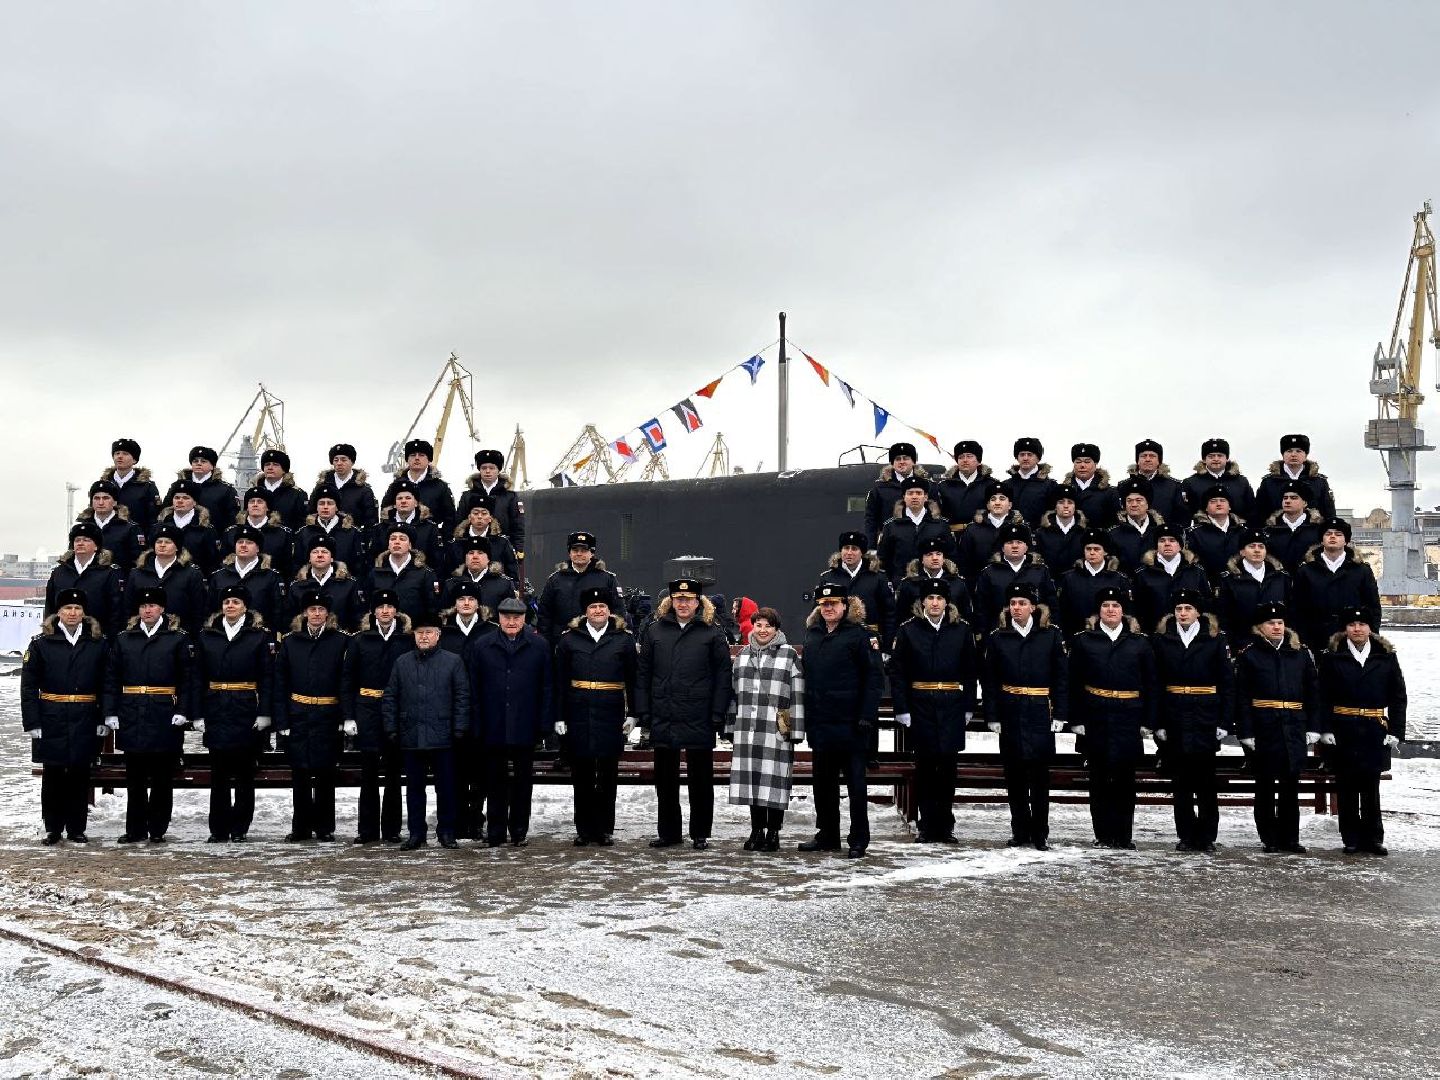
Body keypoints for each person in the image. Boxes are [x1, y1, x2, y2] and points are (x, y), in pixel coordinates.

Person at [634, 578, 732, 850]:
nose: (684, 604)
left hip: (699, 713)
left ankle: (700, 832)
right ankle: (669, 832)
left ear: (698, 602)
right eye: (679, 599)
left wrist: (717, 712)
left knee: (701, 779)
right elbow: (643, 673)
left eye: (689, 599)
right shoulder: (655, 631)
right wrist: (643, 710)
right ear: (671, 601)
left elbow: (723, 675)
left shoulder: (712, 631)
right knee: (665, 780)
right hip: (664, 712)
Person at [798, 582, 883, 858]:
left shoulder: (860, 635)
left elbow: (874, 679)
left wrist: (867, 716)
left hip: (852, 724)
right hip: (821, 724)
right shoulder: (812, 635)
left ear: (845, 606)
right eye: (824, 604)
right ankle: (827, 835)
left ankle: (859, 838)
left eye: (834, 603)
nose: (829, 608)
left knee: (856, 786)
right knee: (823, 785)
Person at [1067, 588, 1156, 850]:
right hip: (1095, 716)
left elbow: (1151, 683)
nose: (1110, 610)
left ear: (1123, 611)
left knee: (1125, 780)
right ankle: (1103, 834)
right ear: (1098, 611)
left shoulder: (1139, 642)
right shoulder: (1084, 641)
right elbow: (1074, 682)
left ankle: (1123, 835)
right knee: (1099, 779)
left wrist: (1148, 720)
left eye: (1115, 605)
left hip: (1128, 716)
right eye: (1105, 605)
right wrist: (1077, 719)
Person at [889, 580, 978, 843]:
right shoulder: (909, 630)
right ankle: (926, 825)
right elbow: (898, 672)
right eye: (930, 598)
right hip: (920, 703)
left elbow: (970, 671)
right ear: (923, 602)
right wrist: (902, 708)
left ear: (947, 602)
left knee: (948, 767)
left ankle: (945, 825)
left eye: (940, 598)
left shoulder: (961, 630)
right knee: (926, 767)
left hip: (951, 702)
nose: (935, 603)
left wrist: (968, 706)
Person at [104, 587, 194, 844]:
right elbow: (112, 678)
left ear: (163, 609)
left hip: (164, 713)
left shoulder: (177, 638)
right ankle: (135, 829)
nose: (147, 610)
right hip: (132, 712)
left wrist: (182, 711)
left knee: (162, 778)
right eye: (143, 606)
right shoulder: (124, 638)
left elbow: (187, 680)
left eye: (153, 605)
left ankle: (157, 829)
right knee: (135, 777)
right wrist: (111, 712)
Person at [983, 581, 1068, 851]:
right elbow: (990, 680)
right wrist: (993, 715)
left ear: (1033, 607)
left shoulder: (1050, 635)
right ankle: (1020, 830)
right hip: (1010, 709)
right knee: (1015, 775)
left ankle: (1040, 832)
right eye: (1013, 603)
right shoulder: (998, 637)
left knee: (1040, 776)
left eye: (1022, 603)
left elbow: (1061, 677)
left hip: (1040, 709)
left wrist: (1060, 712)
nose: (1017, 608)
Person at [20, 589, 108, 845]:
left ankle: (77, 827)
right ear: (57, 613)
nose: (72, 613)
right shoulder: (41, 643)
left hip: (85, 715)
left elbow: (106, 683)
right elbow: (28, 685)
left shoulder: (97, 643)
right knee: (54, 775)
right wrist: (33, 721)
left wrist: (103, 717)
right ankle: (53, 828)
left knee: (80, 774)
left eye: (78, 609)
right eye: (68, 608)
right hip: (51, 715)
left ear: (84, 613)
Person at [1317, 607, 1407, 856]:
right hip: (1343, 727)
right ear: (1345, 628)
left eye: (1362, 624)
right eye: (1352, 624)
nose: (1357, 629)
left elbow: (1398, 696)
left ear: (1370, 628)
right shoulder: (1332, 656)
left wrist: (1396, 730)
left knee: (1370, 786)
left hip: (1373, 728)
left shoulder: (1385, 656)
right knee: (1346, 785)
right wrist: (1324, 728)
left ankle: (1373, 838)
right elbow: (1322, 696)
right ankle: (1351, 839)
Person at [1151, 589, 1234, 853]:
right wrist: (1159, 723)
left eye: (1188, 608)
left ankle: (1207, 836)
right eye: (1178, 609)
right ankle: (1186, 835)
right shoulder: (1163, 639)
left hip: (1206, 715)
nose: (1183, 613)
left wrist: (1224, 721)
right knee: (1182, 782)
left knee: (1206, 781)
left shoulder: (1215, 639)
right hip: (1174, 713)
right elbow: (1156, 683)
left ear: (1199, 612)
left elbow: (1227, 684)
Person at [554, 587, 638, 846]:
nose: (598, 610)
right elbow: (559, 681)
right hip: (578, 711)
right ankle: (584, 828)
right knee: (582, 774)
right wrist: (559, 716)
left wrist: (634, 714)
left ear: (609, 611)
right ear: (585, 612)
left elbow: (634, 680)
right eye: (593, 607)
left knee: (607, 774)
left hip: (610, 712)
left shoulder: (622, 640)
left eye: (602, 606)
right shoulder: (570, 640)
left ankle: (603, 829)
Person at [1234, 601, 1319, 854]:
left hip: (1293, 725)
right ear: (1260, 627)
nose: (1277, 627)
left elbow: (1314, 693)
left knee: (1290, 785)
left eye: (1280, 623)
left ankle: (1290, 837)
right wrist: (1246, 732)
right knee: (1265, 786)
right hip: (1264, 726)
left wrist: (1313, 726)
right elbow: (1242, 697)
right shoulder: (1250, 654)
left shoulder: (1300, 653)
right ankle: (1269, 837)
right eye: (1271, 623)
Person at [471, 596, 554, 846]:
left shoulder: (539, 646)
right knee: (494, 780)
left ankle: (519, 831)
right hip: (493, 724)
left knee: (522, 782)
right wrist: (477, 722)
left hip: (525, 724)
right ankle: (495, 832)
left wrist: (544, 725)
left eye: (516, 617)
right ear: (498, 618)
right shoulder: (483, 645)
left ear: (524, 619)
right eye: (506, 617)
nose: (511, 621)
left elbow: (547, 687)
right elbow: (474, 688)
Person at [384, 609, 470, 850]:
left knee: (446, 788)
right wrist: (391, 727)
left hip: (443, 736)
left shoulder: (453, 661)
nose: (424, 637)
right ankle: (416, 833)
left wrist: (460, 727)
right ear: (413, 635)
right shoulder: (402, 663)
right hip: (411, 736)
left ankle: (447, 832)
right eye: (420, 633)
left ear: (438, 635)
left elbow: (462, 696)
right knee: (414, 789)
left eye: (429, 632)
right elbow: (390, 697)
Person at [193, 586, 274, 843]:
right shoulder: (208, 635)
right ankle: (218, 828)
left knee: (244, 774)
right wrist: (198, 713)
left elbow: (268, 678)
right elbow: (197, 677)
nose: (230, 606)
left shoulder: (258, 636)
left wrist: (264, 713)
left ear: (245, 607)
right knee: (219, 774)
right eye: (226, 601)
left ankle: (240, 827)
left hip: (246, 707)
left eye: (236, 602)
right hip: (216, 707)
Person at [724, 606, 805, 852]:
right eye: (758, 625)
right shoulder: (743, 656)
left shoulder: (789, 655)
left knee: (775, 781)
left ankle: (774, 832)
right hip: (748, 726)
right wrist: (730, 725)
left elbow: (798, 695)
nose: (762, 630)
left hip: (777, 727)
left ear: (776, 629)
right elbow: (732, 693)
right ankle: (756, 829)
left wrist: (796, 730)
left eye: (768, 626)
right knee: (753, 780)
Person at [273, 590, 349, 842]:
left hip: (328, 714)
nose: (316, 614)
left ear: (328, 614)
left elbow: (345, 681)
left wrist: (344, 716)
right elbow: (280, 683)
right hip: (299, 714)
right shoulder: (291, 641)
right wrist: (282, 721)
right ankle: (301, 827)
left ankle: (325, 827)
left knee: (326, 774)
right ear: (304, 613)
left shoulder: (340, 641)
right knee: (301, 774)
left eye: (321, 609)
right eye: (312, 609)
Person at [343, 590, 413, 845]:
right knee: (369, 772)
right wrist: (349, 716)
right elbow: (348, 679)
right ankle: (367, 829)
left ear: (397, 611)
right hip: (368, 709)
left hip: (397, 709)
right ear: (373, 612)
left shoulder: (406, 640)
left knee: (394, 772)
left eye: (389, 606)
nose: (385, 611)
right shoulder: (360, 640)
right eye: (380, 606)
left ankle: (392, 829)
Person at [1291, 518, 1381, 651]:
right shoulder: (1306, 570)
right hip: (1315, 640)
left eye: (1338, 534)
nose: (1333, 537)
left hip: (1351, 640)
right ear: (1321, 540)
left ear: (1346, 540)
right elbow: (1296, 609)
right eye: (1328, 534)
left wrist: (1369, 635)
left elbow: (1373, 607)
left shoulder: (1361, 570)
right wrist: (1302, 638)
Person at [537, 530, 621, 646]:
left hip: (597, 644)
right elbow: (544, 615)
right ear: (569, 553)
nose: (579, 553)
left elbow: (618, 612)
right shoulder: (555, 579)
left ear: (592, 553)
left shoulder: (607, 579)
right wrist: (546, 643)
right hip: (561, 644)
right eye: (575, 550)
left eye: (584, 550)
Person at [973, 522, 1057, 633]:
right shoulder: (989, 573)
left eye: (1019, 542)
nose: (1014, 546)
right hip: (1000, 633)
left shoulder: (1040, 571)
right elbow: (981, 608)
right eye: (1009, 542)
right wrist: (983, 634)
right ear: (1002, 548)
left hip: (1036, 632)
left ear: (1026, 547)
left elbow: (1052, 603)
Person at [124, 524, 208, 635]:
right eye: (159, 542)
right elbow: (128, 608)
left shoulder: (192, 574)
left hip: (179, 635)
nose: (162, 545)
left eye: (168, 542)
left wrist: (193, 637)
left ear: (177, 547)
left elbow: (198, 610)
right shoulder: (137, 573)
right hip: (142, 635)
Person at [818, 530, 897, 648]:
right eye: (846, 548)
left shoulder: (878, 578)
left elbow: (889, 614)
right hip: (836, 641)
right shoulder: (828, 578)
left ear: (862, 552)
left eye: (854, 548)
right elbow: (818, 613)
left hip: (869, 641)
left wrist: (886, 648)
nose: (849, 552)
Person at [46, 521, 123, 637]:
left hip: (96, 638)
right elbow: (50, 606)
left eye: (86, 540)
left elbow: (115, 611)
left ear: (96, 546)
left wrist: (110, 639)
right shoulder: (59, 572)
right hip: (62, 637)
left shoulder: (109, 573)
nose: (80, 543)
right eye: (77, 540)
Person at [1215, 528, 1292, 642]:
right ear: (1242, 552)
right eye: (1252, 546)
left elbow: (1290, 609)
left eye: (1261, 546)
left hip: (1275, 641)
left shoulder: (1280, 577)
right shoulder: (1229, 579)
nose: (1257, 550)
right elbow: (1224, 615)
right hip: (1241, 640)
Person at [876, 476, 955, 584]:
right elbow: (883, 558)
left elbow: (951, 555)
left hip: (934, 586)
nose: (914, 497)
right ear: (904, 497)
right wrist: (892, 580)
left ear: (926, 497)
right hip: (901, 584)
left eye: (918, 493)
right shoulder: (891, 526)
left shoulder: (941, 525)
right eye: (910, 493)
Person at [1130, 527, 1212, 631]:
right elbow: (1137, 608)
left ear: (1180, 545)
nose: (1167, 544)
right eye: (1162, 540)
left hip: (1191, 634)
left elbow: (1207, 603)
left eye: (1172, 540)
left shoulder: (1196, 571)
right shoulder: (1142, 574)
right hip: (1154, 634)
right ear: (1156, 545)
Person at [893, 536, 974, 640]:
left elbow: (967, 615)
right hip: (917, 639)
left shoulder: (958, 583)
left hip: (951, 637)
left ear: (944, 558)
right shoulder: (908, 584)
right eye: (929, 554)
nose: (935, 558)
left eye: (938, 554)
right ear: (921, 559)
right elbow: (900, 616)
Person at [208, 525, 286, 632]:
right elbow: (211, 610)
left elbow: (277, 613)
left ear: (258, 548)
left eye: (249, 542)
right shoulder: (219, 576)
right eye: (240, 542)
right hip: (224, 637)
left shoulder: (271, 577)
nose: (243, 545)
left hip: (259, 637)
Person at [455, 449, 526, 563]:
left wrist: (517, 550)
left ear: (498, 470)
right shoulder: (467, 496)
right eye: (484, 468)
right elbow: (459, 523)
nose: (487, 471)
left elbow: (518, 527)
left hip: (501, 550)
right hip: (473, 551)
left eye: (492, 468)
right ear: (479, 470)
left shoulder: (510, 497)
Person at [1056, 530, 1130, 638]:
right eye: (1088, 549)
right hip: (1075, 634)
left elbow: (1127, 611)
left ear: (1105, 552)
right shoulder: (1069, 578)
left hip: (1110, 636)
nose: (1092, 552)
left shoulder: (1119, 579)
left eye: (1097, 549)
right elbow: (1061, 610)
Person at [365, 522, 441, 623]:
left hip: (413, 633)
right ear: (388, 545)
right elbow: (367, 605)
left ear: (410, 545)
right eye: (393, 539)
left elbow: (431, 608)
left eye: (402, 539)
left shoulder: (425, 574)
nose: (397, 542)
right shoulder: (375, 573)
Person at [863, 441, 931, 550]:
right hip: (891, 545)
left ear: (913, 461)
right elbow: (871, 520)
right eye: (897, 459)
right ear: (892, 463)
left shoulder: (928, 485)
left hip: (923, 544)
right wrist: (871, 548)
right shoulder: (879, 489)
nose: (902, 462)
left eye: (906, 458)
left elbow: (936, 515)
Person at [381, 438, 456, 535]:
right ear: (407, 459)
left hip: (429, 540)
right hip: (400, 540)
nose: (417, 458)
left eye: (421, 455)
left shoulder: (440, 487)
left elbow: (450, 517)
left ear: (429, 459)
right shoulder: (395, 486)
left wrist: (440, 538)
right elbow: (385, 514)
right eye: (412, 455)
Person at [1255, 433, 1336, 523]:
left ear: (1305, 455)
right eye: (1289, 451)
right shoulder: (1269, 481)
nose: (1293, 454)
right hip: (1277, 532)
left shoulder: (1319, 481)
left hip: (1311, 532)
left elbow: (1329, 513)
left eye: (1299, 451)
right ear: (1283, 454)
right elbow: (1259, 514)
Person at [289, 535, 362, 632]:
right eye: (315, 552)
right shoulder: (296, 587)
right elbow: (288, 619)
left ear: (332, 558)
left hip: (340, 641)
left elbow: (357, 619)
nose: (319, 555)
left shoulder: (349, 585)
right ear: (309, 558)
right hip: (305, 642)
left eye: (324, 552)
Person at [957, 483, 1026, 584]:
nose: (997, 503)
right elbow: (964, 562)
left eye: (1002, 499)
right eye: (993, 499)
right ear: (988, 505)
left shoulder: (1022, 529)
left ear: (1010, 505)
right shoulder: (972, 529)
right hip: (979, 585)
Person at [100, 437, 160, 546]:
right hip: (107, 542)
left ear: (134, 460)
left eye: (125, 453)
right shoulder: (103, 486)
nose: (120, 456)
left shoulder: (147, 486)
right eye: (117, 453)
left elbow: (154, 520)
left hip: (136, 543)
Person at [1180, 437, 1256, 523]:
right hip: (1202, 533)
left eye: (1220, 455)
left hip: (1237, 532)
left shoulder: (1241, 482)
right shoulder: (1190, 483)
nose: (1216, 459)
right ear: (1204, 460)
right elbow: (1184, 513)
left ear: (1227, 458)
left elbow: (1252, 510)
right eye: (1211, 456)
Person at [224, 488, 295, 578]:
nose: (255, 505)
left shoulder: (283, 533)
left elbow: (287, 566)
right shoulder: (231, 532)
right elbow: (224, 562)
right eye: (251, 501)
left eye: (260, 502)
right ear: (247, 506)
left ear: (267, 507)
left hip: (270, 583)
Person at [370, 481, 444, 567]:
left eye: (408, 498)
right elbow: (372, 559)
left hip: (421, 578)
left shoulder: (430, 528)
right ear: (394, 504)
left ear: (416, 503)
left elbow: (437, 561)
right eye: (399, 498)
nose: (403, 501)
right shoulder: (380, 528)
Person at [156, 480, 223, 575]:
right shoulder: (159, 527)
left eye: (186, 498)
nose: (180, 501)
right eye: (177, 497)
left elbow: (213, 562)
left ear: (195, 502)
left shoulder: (206, 530)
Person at [441, 535, 519, 615]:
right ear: (465, 558)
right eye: (471, 553)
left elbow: (511, 616)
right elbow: (444, 617)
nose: (475, 556)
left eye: (480, 553)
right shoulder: (451, 584)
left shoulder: (505, 584)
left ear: (488, 558)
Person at [292, 485, 365, 570]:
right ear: (316, 507)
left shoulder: (352, 532)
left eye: (330, 503)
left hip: (343, 581)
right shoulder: (303, 533)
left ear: (337, 507)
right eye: (321, 503)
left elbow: (359, 565)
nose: (325, 507)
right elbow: (297, 564)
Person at [444, 497, 520, 579]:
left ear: (490, 518)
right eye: (475, 513)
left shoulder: (502, 542)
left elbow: (512, 572)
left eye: (484, 513)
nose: (479, 517)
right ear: (469, 517)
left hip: (494, 588)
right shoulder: (456, 543)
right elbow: (447, 573)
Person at [934, 439, 994, 541]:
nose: (965, 460)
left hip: (982, 536)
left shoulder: (990, 484)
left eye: (969, 456)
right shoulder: (943, 486)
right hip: (952, 538)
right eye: (961, 457)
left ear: (978, 460)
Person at [78, 479, 143, 573]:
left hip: (118, 582)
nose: (101, 502)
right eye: (96, 498)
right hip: (89, 582)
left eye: (106, 498)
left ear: (115, 502)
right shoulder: (82, 529)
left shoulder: (130, 528)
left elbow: (138, 563)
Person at [167, 445, 241, 527]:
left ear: (212, 466)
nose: (199, 463)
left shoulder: (226, 490)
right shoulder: (176, 487)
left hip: (214, 536)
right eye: (195, 461)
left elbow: (232, 518)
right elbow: (166, 510)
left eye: (203, 461)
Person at [1185, 486, 1246, 583]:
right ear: (1206, 507)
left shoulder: (1243, 531)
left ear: (1229, 506)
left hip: (1239, 585)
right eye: (1213, 501)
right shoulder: (1194, 533)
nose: (1218, 504)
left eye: (1223, 500)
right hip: (1207, 586)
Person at [1262, 480, 1324, 575]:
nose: (1287, 501)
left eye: (1294, 498)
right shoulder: (1269, 530)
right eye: (1285, 498)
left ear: (1305, 503)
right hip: (1278, 581)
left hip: (1308, 581)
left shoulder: (1318, 530)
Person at [311, 442, 379, 527]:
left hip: (353, 537)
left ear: (352, 462)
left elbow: (370, 521)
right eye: (336, 460)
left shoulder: (363, 490)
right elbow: (311, 514)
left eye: (344, 460)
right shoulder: (321, 487)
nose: (339, 463)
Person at [1107, 475, 1165, 573]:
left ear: (1147, 503)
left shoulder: (1161, 532)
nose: (1134, 504)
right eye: (1129, 500)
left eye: (1139, 500)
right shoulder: (1113, 534)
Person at [1128, 439, 1188, 527]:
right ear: (1138, 460)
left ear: (1159, 461)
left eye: (1152, 456)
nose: (1147, 459)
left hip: (1164, 538)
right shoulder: (1125, 486)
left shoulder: (1174, 486)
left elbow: (1182, 518)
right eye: (1143, 456)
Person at [1004, 437, 1061, 528]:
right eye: (1022, 454)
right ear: (1017, 457)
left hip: (1038, 538)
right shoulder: (1006, 485)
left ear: (1038, 458)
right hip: (1011, 539)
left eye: (1030, 454)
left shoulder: (1050, 486)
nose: (1025, 458)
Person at [1062, 442, 1119, 526]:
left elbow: (1114, 523)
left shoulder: (1109, 493)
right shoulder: (1062, 491)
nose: (1082, 465)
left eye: (1087, 462)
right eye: (1078, 462)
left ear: (1095, 464)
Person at [1034, 484, 1087, 574]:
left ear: (1075, 506)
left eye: (1070, 502)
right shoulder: (1041, 533)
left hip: (1077, 581)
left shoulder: (1085, 533)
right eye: (1061, 502)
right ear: (1055, 506)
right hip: (1050, 581)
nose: (1066, 506)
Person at [255, 449, 309, 532]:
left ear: (284, 470)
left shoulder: (297, 495)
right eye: (267, 464)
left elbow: (301, 524)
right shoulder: (253, 492)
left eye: (275, 465)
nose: (270, 467)